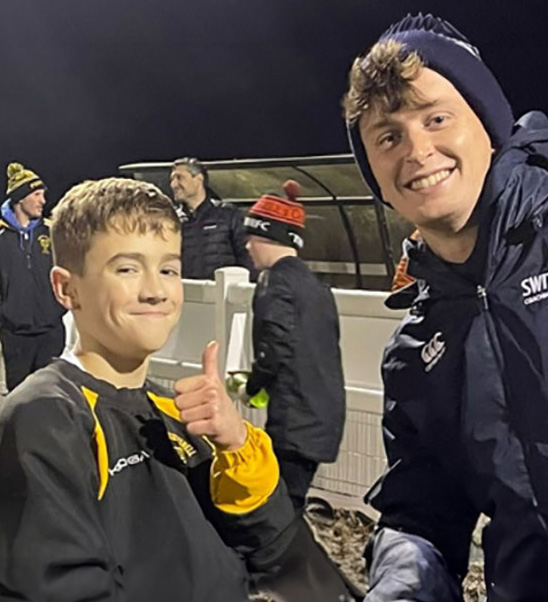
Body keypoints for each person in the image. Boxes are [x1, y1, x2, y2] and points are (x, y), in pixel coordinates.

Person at [344, 12, 548, 602]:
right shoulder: (415, 352)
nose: (417, 150)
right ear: (378, 182)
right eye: (388, 137)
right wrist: (401, 584)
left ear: (488, 127)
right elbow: (423, 511)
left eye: (436, 118)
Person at [0, 177, 298, 601]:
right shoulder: (48, 417)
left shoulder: (172, 408)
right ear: (67, 288)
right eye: (126, 268)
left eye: (168, 269)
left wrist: (236, 447)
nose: (156, 291)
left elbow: (272, 553)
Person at [240, 180, 346, 513]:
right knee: (291, 502)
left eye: (252, 238)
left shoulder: (275, 283)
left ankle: (287, 565)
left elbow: (275, 348)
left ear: (268, 237)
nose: (247, 248)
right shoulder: (317, 288)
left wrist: (251, 385)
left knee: (280, 511)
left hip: (294, 420)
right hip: (323, 415)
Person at [0, 162, 66, 391]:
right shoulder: (1, 235)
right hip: (16, 335)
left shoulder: (51, 233)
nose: (43, 200)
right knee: (20, 399)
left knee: (50, 397)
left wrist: (59, 309)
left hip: (51, 332)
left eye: (43, 194)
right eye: (36, 194)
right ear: (20, 198)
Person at [169, 156, 255, 280]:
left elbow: (247, 255)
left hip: (223, 294)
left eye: (179, 178)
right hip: (187, 293)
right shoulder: (172, 219)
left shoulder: (227, 214)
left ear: (199, 179)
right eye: (172, 179)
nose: (173, 185)